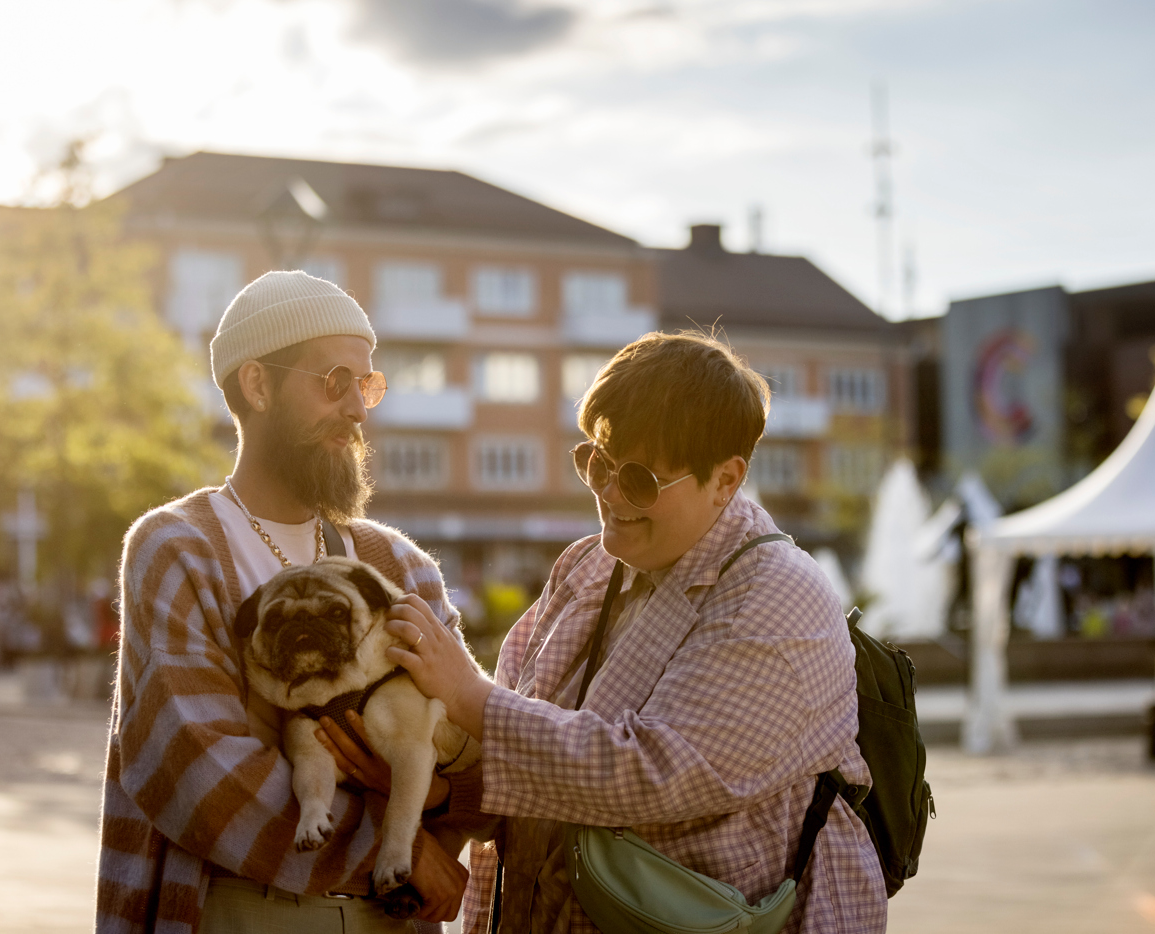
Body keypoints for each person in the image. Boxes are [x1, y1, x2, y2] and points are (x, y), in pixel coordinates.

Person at [373, 333, 887, 933]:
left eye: (640, 479)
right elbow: (515, 750)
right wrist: (434, 817)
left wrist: (467, 695)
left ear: (725, 480)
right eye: (598, 463)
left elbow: (653, 773)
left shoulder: (776, 594)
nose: (610, 495)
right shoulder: (588, 564)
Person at [95, 271, 486, 934]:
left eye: (367, 384)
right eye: (335, 381)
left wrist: (438, 792)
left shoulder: (402, 567)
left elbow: (477, 759)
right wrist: (397, 846)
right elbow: (201, 775)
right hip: (240, 910)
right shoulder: (178, 549)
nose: (358, 409)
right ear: (257, 385)